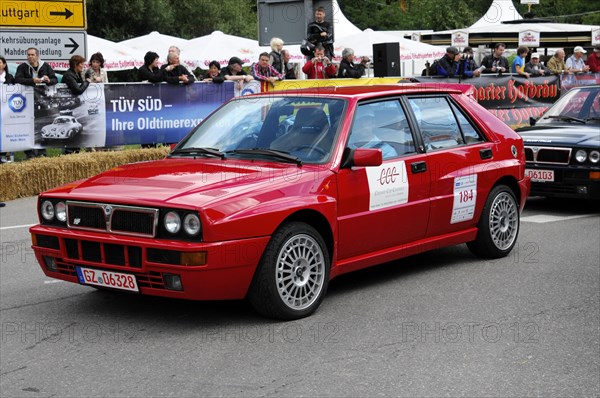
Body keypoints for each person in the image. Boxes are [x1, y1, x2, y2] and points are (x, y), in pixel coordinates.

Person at [15, 47, 58, 158]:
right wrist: (32, 81)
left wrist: (49, 81)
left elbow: (55, 80)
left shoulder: (45, 66)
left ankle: (41, 151)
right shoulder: (22, 67)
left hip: (42, 101)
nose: (30, 57)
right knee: (26, 127)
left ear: (37, 56)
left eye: (32, 55)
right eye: (28, 55)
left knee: (41, 126)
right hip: (26, 102)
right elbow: (17, 79)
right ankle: (29, 153)